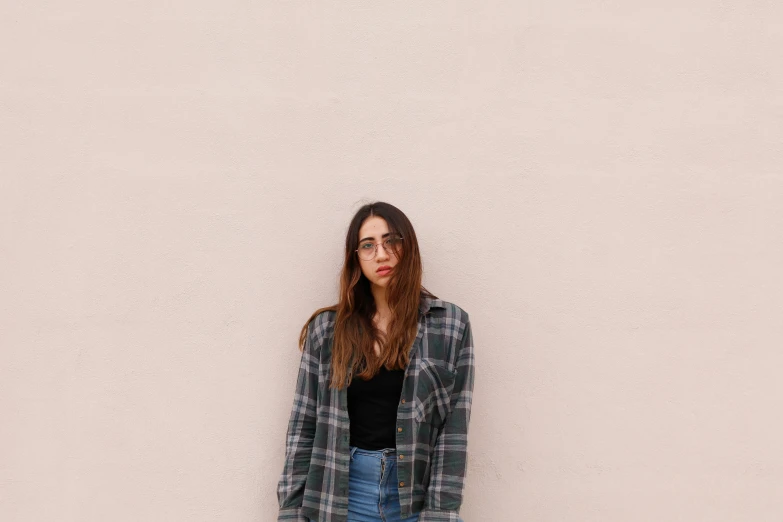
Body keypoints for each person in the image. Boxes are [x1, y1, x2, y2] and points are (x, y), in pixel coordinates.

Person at [277, 201, 475, 522]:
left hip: (415, 499)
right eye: (367, 246)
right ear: (356, 259)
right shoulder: (327, 330)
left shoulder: (450, 325)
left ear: (407, 245)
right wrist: (291, 509)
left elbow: (453, 432)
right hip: (341, 494)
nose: (381, 254)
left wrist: (441, 511)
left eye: (391, 241)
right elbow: (304, 425)